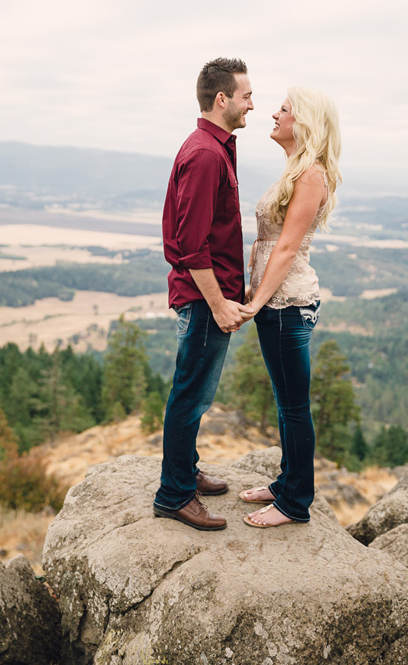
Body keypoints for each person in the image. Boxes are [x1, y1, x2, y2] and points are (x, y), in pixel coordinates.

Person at [154, 58, 254, 531]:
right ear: (222, 99)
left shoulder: (216, 148)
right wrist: (218, 305)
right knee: (189, 395)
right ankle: (174, 495)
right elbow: (191, 246)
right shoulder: (206, 154)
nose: (252, 103)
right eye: (246, 95)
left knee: (195, 393)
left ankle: (185, 472)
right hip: (202, 300)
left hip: (212, 297)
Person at [237, 86, 341, 527]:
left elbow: (285, 249)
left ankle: (295, 502)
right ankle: (286, 483)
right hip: (274, 303)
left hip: (286, 304)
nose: (272, 114)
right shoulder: (295, 170)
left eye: (284, 109)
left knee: (294, 405)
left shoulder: (311, 174)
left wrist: (255, 302)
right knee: (285, 403)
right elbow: (265, 245)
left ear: (305, 123)